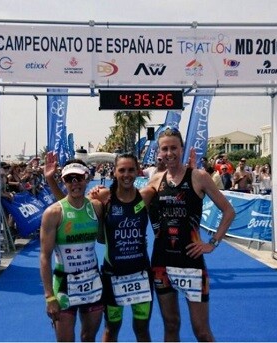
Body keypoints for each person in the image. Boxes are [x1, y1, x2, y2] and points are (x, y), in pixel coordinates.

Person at [147, 126, 235, 342]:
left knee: (201, 331)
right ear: (159, 152)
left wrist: (212, 243)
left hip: (191, 262)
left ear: (182, 148)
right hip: (161, 263)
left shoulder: (198, 176)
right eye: (165, 149)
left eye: (174, 148)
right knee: (171, 325)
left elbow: (229, 211)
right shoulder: (156, 181)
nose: (169, 153)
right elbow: (130, 201)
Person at [93, 153, 156, 342]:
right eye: (122, 170)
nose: (127, 174)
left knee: (142, 329)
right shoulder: (104, 197)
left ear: (138, 171)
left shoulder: (146, 195)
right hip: (113, 275)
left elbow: (169, 177)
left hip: (141, 274)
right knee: (111, 329)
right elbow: (71, 203)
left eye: (131, 170)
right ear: (114, 172)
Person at [39, 159, 104, 342]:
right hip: (64, 284)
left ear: (87, 178)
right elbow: (45, 257)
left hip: (92, 282)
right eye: (69, 179)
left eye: (78, 178)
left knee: (89, 337)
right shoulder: (53, 213)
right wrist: (49, 297)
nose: (74, 183)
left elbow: (103, 238)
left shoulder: (96, 207)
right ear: (64, 181)